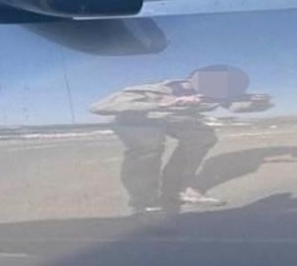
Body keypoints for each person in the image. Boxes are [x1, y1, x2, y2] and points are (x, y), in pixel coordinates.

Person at [90, 65, 272, 214]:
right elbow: (99, 107)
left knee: (202, 137)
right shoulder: (153, 89)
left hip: (173, 119)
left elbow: (236, 107)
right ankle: (144, 204)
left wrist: (258, 103)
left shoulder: (214, 94)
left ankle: (177, 190)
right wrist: (162, 103)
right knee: (148, 148)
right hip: (136, 120)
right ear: (192, 78)